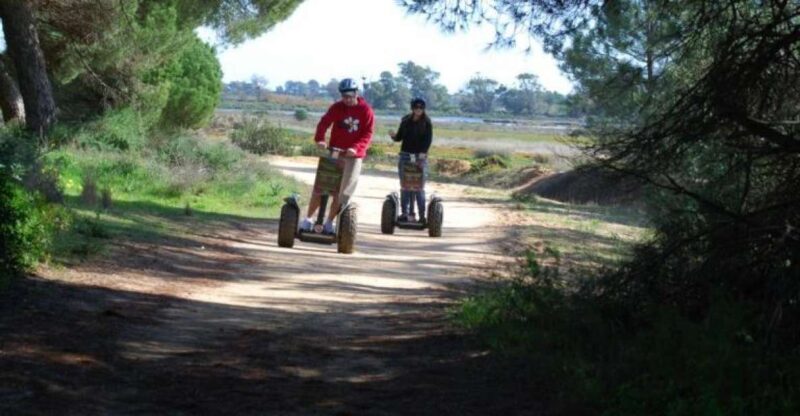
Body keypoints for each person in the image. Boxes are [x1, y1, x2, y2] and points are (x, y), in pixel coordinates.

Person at [299, 78, 374, 234]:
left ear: (356, 93)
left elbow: (368, 133)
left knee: (343, 192)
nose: (347, 99)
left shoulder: (366, 110)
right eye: (344, 96)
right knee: (322, 187)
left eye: (350, 96)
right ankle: (308, 219)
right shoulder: (337, 107)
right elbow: (324, 123)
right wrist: (320, 139)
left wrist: (355, 147)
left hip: (354, 156)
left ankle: (329, 223)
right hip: (335, 151)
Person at [389, 97, 433, 223]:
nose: (418, 110)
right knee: (405, 186)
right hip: (405, 155)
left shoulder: (427, 122)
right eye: (416, 107)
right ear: (412, 108)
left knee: (419, 187)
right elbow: (399, 137)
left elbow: (428, 140)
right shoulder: (406, 120)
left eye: (421, 107)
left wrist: (423, 153)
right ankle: (405, 213)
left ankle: (422, 216)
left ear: (423, 109)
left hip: (420, 157)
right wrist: (393, 136)